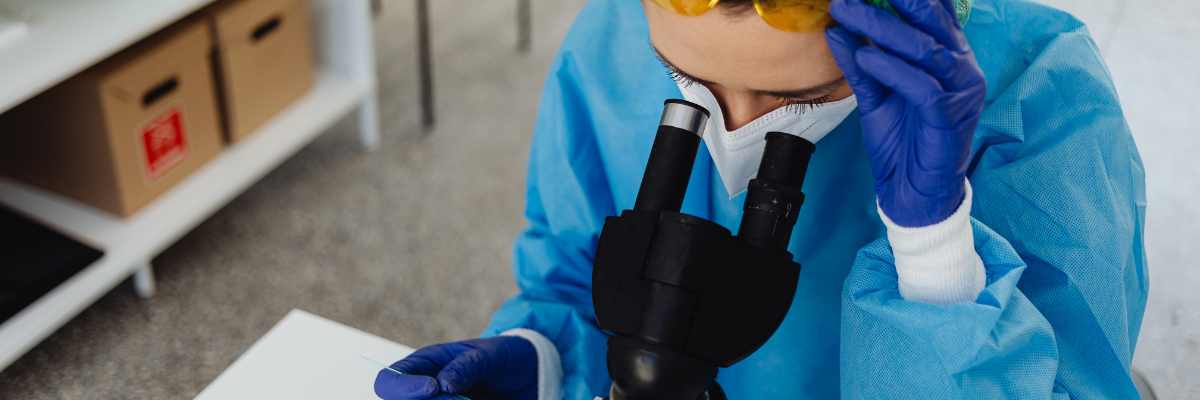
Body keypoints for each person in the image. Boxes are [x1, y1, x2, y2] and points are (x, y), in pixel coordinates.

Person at [374, 0, 1148, 398]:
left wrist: (934, 248)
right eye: (687, 88)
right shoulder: (613, 34)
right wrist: (543, 362)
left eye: (800, 98)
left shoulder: (1037, 94)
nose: (737, 135)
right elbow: (570, 280)